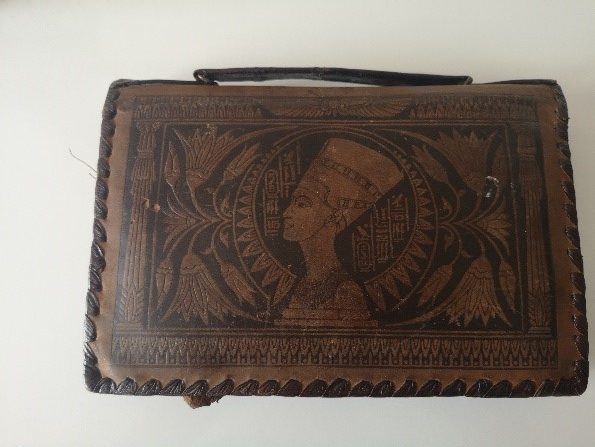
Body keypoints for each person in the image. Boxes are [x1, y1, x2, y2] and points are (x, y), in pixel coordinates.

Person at [278, 137, 403, 327]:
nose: (286, 213)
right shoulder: (304, 285)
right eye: (293, 202)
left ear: (336, 215)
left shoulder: (345, 292)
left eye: (302, 203)